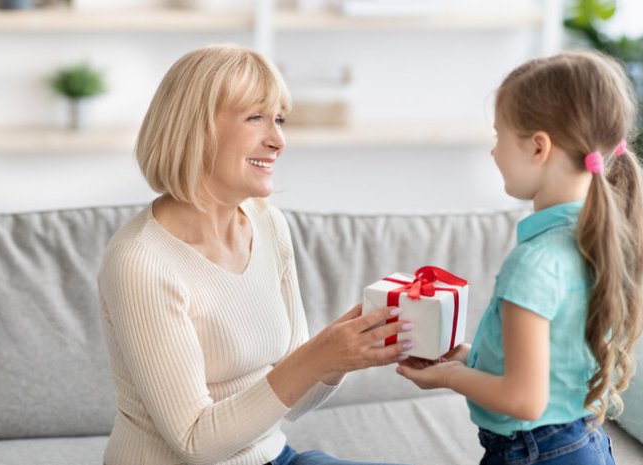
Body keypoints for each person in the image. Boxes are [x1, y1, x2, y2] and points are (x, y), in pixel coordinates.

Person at [98, 43, 413, 465]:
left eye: (279, 120)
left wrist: (340, 354)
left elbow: (292, 400)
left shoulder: (268, 224)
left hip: (272, 457)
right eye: (256, 118)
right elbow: (194, 443)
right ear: (197, 129)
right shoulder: (140, 260)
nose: (278, 140)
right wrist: (319, 355)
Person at [396, 50, 643, 464]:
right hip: (583, 442)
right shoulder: (592, 239)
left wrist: (450, 376)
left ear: (538, 148)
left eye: (499, 136)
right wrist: (465, 357)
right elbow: (548, 368)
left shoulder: (535, 262)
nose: (494, 153)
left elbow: (524, 399)